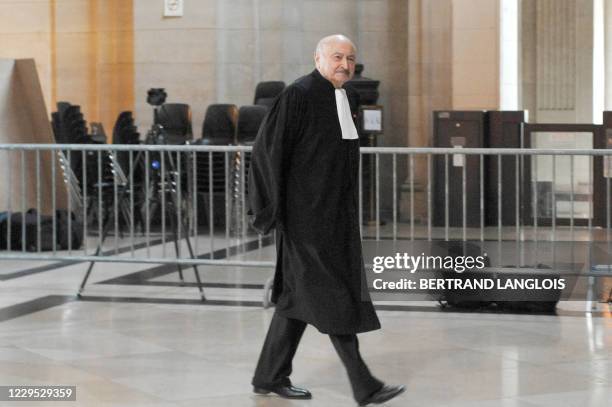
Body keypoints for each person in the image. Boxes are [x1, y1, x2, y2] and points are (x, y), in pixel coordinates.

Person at [248, 34, 405, 406]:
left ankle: (268, 376)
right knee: (333, 293)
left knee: (296, 298)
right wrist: (271, 210)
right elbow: (267, 151)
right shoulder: (298, 94)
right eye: (337, 57)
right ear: (318, 57)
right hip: (304, 218)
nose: (344, 65)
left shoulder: (350, 97)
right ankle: (363, 383)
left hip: (335, 215)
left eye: (350, 59)